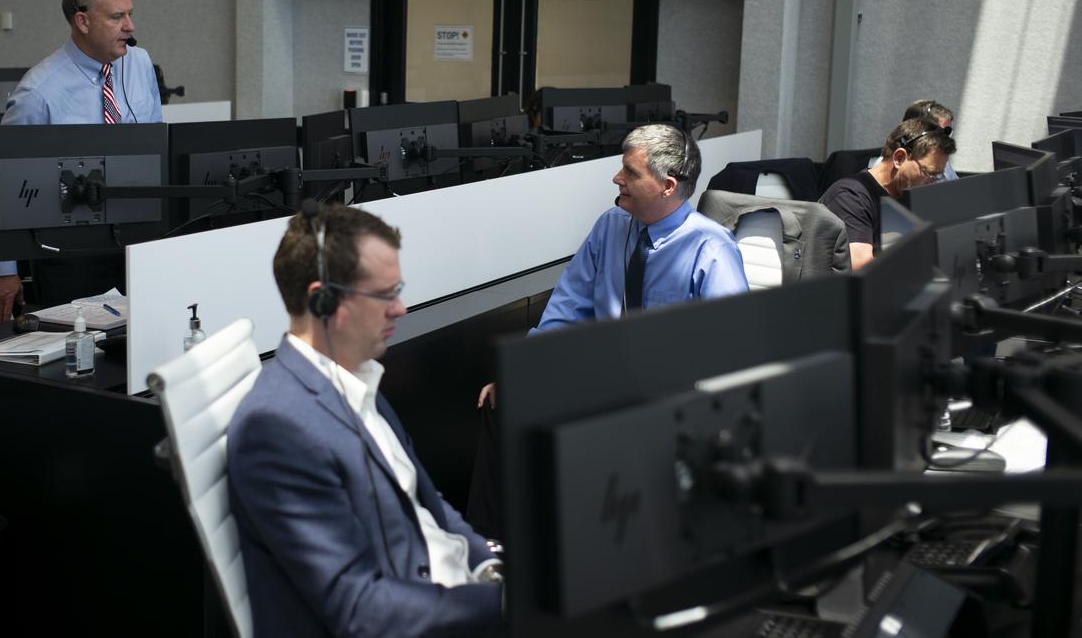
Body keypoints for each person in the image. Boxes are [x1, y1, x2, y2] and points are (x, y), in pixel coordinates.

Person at [225, 203, 503, 638]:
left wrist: (489, 566)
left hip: (455, 596)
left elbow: (425, 503)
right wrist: (502, 606)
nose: (401, 308)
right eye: (385, 295)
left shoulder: (359, 378)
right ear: (323, 300)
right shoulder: (277, 427)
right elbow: (359, 609)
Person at [476, 123, 749, 407]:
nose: (617, 178)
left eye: (631, 172)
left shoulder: (712, 250)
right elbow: (568, 309)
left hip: (672, 401)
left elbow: (732, 349)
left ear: (667, 187)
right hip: (601, 384)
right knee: (506, 405)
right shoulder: (611, 226)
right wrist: (524, 371)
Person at [0, 0, 163, 322]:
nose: (130, 26)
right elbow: (1, 182)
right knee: (80, 346)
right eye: (117, 17)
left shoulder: (139, 63)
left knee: (145, 336)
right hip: (72, 250)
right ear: (83, 21)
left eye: (130, 14)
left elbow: (158, 146)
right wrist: (4, 271)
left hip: (138, 239)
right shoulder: (38, 92)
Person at [820, 117, 957, 271]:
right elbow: (862, 269)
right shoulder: (850, 197)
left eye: (939, 175)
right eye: (928, 172)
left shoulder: (909, 193)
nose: (934, 182)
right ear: (899, 158)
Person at [865, 99, 959, 182]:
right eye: (940, 132)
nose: (947, 139)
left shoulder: (939, 159)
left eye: (948, 132)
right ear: (917, 129)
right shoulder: (886, 167)